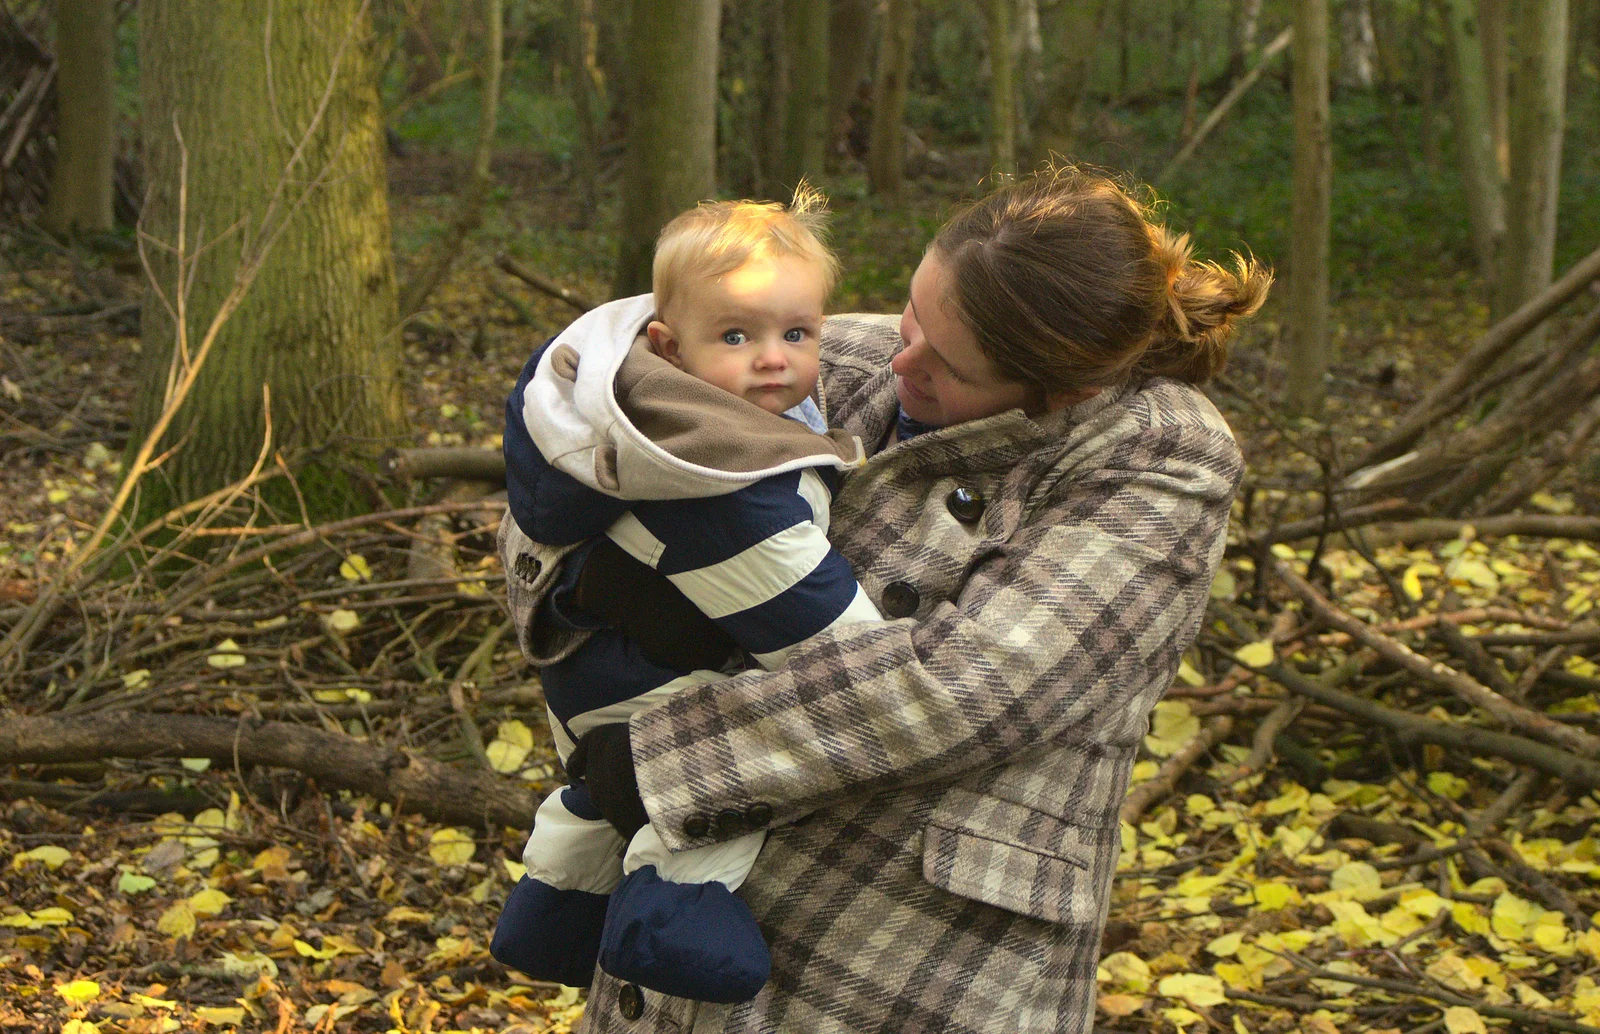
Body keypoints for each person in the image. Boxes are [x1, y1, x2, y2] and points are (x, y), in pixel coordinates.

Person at [513, 165, 1272, 1034]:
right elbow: (583, 412)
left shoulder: (1158, 459)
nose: (898, 354)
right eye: (916, 310)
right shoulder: (826, 353)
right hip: (683, 938)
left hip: (912, 958)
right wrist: (586, 585)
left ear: (1065, 391)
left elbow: (968, 690)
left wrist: (656, 763)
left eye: (948, 365)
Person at [491, 189, 884, 1004]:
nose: (773, 358)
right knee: (723, 774)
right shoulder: (708, 464)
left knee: (599, 791)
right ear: (668, 346)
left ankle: (555, 908)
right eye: (737, 336)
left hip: (592, 676)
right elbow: (822, 635)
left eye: (798, 333)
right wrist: (882, 671)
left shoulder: (629, 408)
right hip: (659, 688)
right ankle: (671, 911)